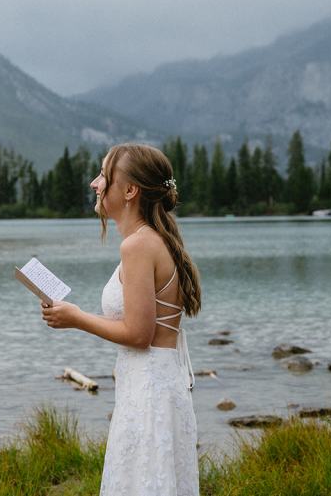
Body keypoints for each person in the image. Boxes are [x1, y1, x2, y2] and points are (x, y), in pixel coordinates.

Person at [41, 143, 200, 495]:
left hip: (150, 390)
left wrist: (77, 317)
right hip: (154, 382)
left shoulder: (138, 245)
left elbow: (140, 334)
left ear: (130, 191)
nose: (94, 184)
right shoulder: (151, 240)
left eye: (103, 175)